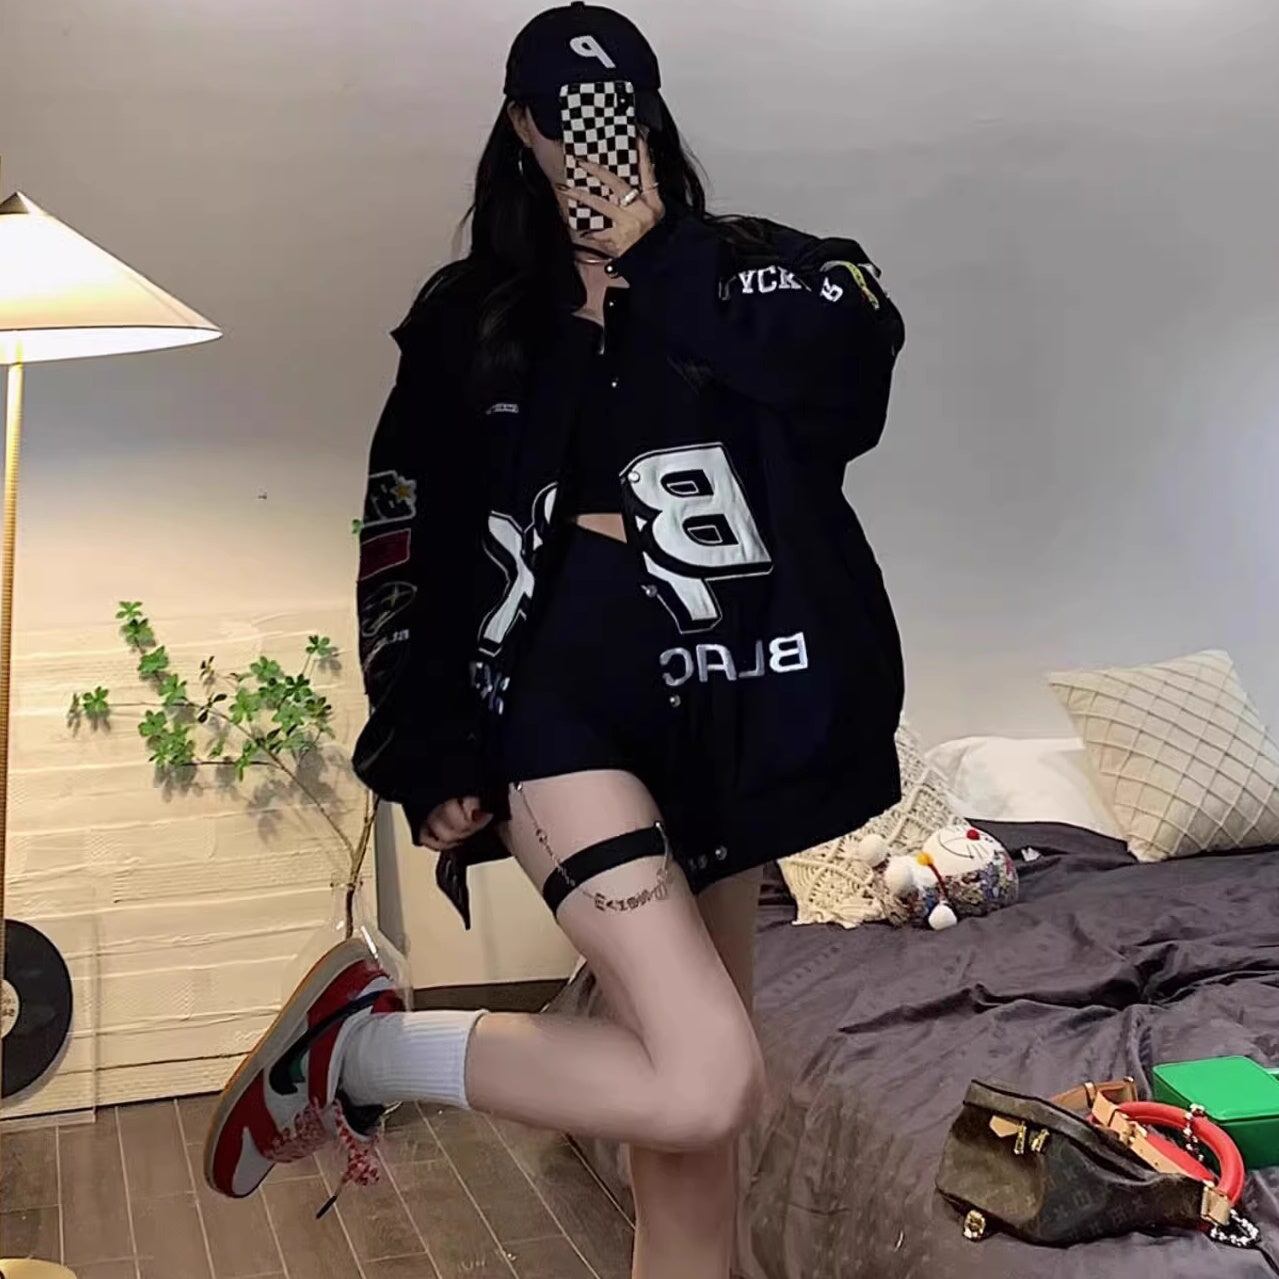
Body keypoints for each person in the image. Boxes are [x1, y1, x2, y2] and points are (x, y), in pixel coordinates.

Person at [204, 4, 906, 1276]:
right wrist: (429, 740)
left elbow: (850, 386)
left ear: (650, 110)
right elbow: (407, 530)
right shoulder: (472, 316)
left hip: (723, 706)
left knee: (694, 1147)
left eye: (614, 101)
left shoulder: (754, 270)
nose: (589, 132)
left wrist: (660, 255)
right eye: (558, 112)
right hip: (559, 711)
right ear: (520, 128)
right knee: (707, 1078)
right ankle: (363, 1053)